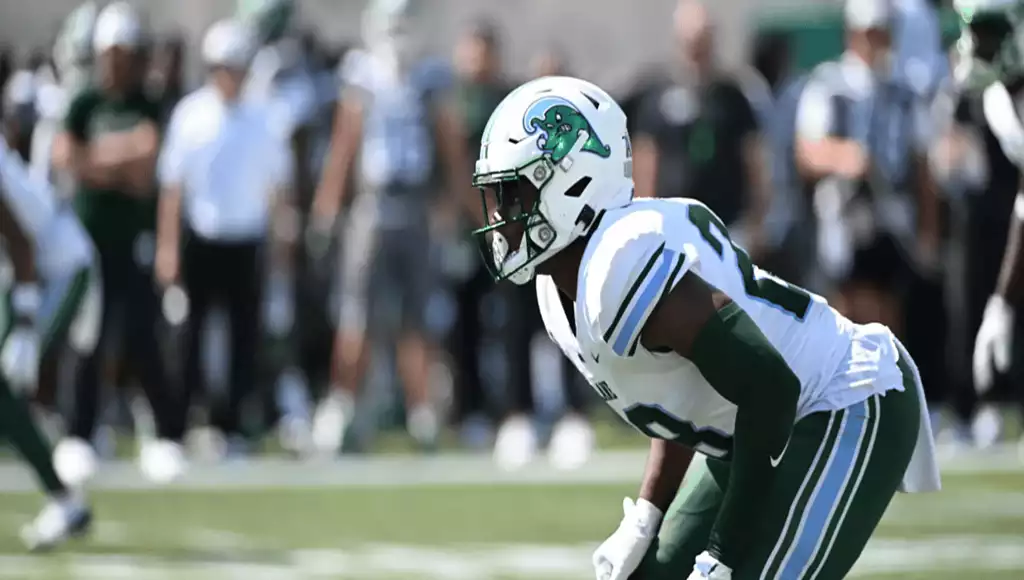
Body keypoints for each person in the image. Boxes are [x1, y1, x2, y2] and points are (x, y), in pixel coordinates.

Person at [472, 75, 940, 579]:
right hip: (756, 429)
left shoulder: (617, 264)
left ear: (571, 183)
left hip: (841, 395)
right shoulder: (557, 291)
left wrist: (724, 553)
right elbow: (680, 386)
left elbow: (770, 387)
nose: (499, 215)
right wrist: (647, 516)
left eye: (511, 194)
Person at [311, 0, 474, 453]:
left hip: (418, 207)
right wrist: (326, 208)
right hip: (372, 206)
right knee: (356, 315)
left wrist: (466, 215)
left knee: (417, 319)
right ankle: (342, 408)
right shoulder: (361, 75)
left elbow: (452, 153)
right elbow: (344, 148)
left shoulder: (432, 78)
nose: (398, 37)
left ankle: (423, 415)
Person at [54, 1, 185, 484]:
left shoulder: (145, 103)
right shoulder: (85, 103)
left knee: (142, 335)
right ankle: (78, 433)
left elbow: (146, 166)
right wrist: (116, 162)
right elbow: (67, 159)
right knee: (86, 338)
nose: (117, 63)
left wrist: (97, 161)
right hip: (88, 244)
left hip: (133, 241)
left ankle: (166, 433)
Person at [155, 18, 295, 458]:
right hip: (201, 239)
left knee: (243, 340)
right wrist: (167, 247)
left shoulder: (265, 115)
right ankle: (176, 430)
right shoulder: (190, 114)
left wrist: (282, 245)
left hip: (246, 240)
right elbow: (173, 188)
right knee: (188, 339)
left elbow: (279, 189)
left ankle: (232, 427)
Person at [0, 135, 95, 551]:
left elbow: (21, 241)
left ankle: (65, 498)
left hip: (60, 268)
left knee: (4, 391)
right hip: (25, 274)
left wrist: (24, 323)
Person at [632, 0, 771, 262]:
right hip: (673, 227)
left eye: (702, 42)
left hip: (727, 224)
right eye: (691, 42)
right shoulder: (657, 96)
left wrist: (757, 221)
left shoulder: (732, 95)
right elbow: (646, 160)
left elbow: (754, 158)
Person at [958, 0, 1024, 449]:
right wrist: (1002, 300)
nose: (974, 45)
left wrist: (1003, 300)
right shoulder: (1000, 101)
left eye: (985, 32)